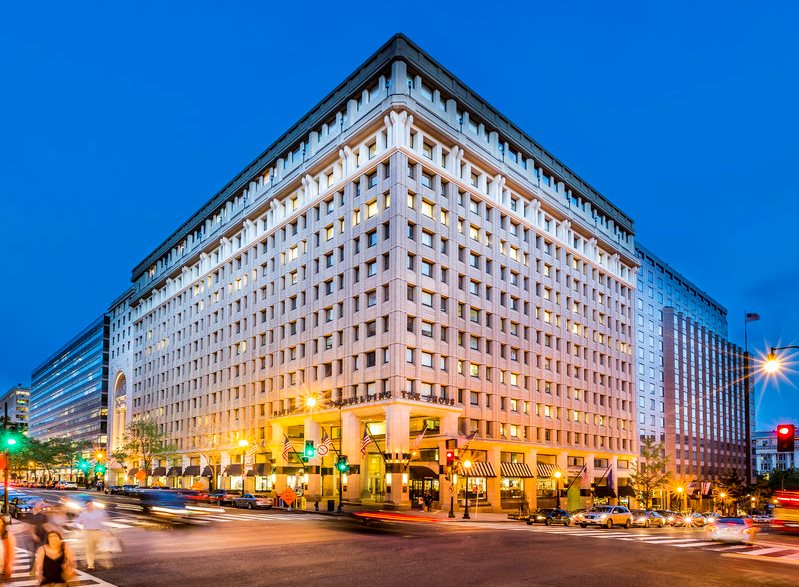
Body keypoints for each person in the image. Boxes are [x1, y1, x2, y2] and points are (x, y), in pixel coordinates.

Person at [74, 501, 108, 571]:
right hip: (88, 532)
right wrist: (76, 527)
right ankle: (90, 565)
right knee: (89, 549)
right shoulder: (83, 514)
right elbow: (77, 522)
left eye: (90, 505)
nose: (88, 507)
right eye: (87, 506)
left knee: (98, 548)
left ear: (93, 505)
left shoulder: (99, 513)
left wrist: (107, 531)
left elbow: (102, 522)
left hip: (98, 532)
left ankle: (102, 561)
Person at [0, 517, 16, 586]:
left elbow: (10, 552)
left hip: (2, 567)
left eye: (1, 522)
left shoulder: (8, 536)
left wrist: (9, 565)